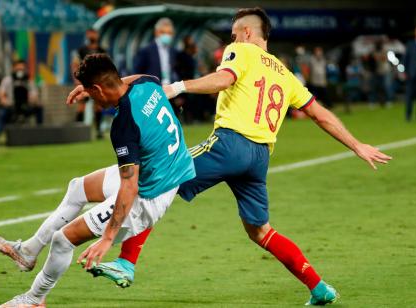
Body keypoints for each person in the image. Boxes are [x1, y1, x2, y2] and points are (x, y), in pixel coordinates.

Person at [86, 7, 391, 305]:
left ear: (246, 33)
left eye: (233, 34)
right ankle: (319, 287)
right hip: (259, 158)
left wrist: (176, 88)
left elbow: (224, 79)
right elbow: (318, 113)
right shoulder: (285, 73)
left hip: (230, 145)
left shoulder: (241, 51)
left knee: (162, 177)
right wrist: (356, 144)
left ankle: (126, 262)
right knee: (260, 231)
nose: (231, 40)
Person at [0, 54, 195, 307]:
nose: (94, 101)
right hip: (161, 171)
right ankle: (28, 252)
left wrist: (108, 237)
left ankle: (34, 300)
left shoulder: (124, 124)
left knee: (63, 239)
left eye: (92, 92)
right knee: (78, 188)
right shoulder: (147, 83)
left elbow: (129, 187)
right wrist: (88, 88)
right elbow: (133, 80)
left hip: (148, 195)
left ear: (98, 88)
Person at [0, 60, 43, 145]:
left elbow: (34, 95)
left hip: (26, 107)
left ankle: (40, 132)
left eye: (22, 69)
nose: (20, 71)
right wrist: (6, 103)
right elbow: (1, 95)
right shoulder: (7, 80)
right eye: (18, 69)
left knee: (39, 108)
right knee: (2, 114)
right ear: (14, 69)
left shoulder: (29, 81)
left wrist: (32, 100)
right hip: (11, 107)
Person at [76, 28, 108, 139]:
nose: (92, 36)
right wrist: (76, 80)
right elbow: (75, 64)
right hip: (84, 82)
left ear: (97, 35)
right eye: (90, 34)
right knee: (81, 106)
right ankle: (78, 131)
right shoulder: (82, 50)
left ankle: (98, 130)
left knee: (98, 106)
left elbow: (106, 67)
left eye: (94, 34)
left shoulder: (102, 50)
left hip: (98, 83)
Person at [133, 17, 178, 85]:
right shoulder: (146, 50)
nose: (166, 35)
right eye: (163, 32)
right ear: (156, 32)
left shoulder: (173, 51)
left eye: (169, 33)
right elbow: (137, 73)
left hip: (168, 88)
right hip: (151, 90)